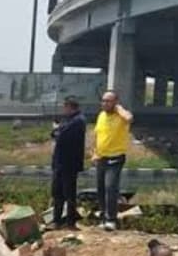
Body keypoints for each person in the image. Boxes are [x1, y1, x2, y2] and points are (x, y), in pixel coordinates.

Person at [93, 90, 134, 231]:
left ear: (116, 102)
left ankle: (111, 219)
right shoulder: (101, 116)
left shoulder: (121, 116)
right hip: (101, 157)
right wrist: (94, 152)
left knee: (111, 187)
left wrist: (119, 108)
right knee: (101, 189)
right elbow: (98, 135)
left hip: (115, 157)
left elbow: (129, 118)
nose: (104, 103)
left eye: (108, 101)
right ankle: (103, 217)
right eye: (103, 100)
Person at [51, 96, 87, 229]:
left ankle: (70, 222)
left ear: (70, 107)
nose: (63, 110)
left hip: (69, 164)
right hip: (60, 163)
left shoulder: (78, 121)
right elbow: (56, 134)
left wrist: (56, 129)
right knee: (57, 193)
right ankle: (57, 220)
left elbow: (60, 137)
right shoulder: (69, 121)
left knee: (69, 194)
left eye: (65, 107)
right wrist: (57, 130)